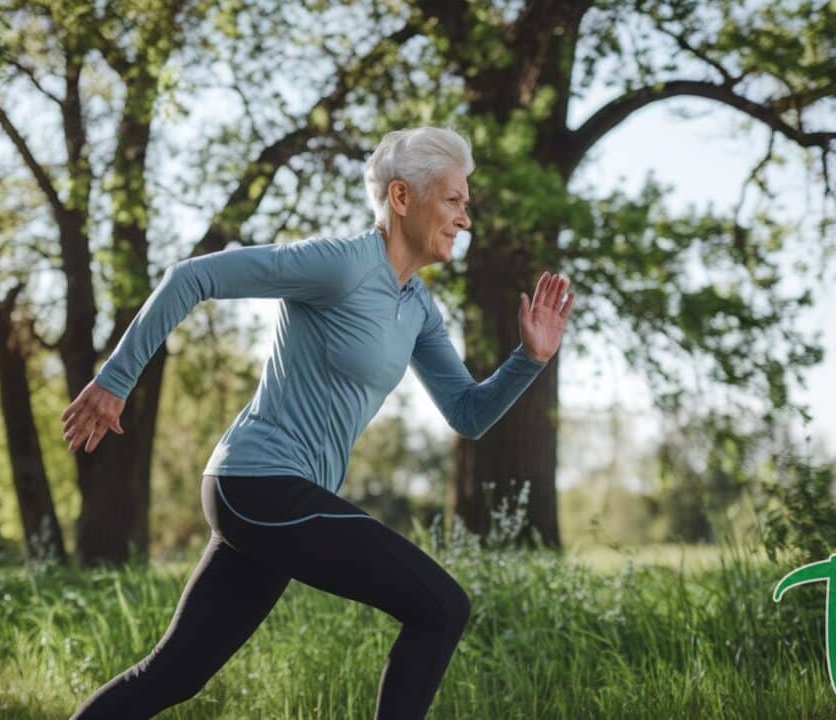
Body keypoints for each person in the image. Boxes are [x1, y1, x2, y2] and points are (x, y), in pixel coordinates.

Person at [61, 126, 575, 719]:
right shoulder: (339, 264)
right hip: (259, 482)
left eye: (467, 203)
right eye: (454, 201)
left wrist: (528, 361)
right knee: (442, 608)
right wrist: (114, 383)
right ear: (403, 198)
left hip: (272, 498)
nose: (466, 219)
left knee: (172, 675)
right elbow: (191, 277)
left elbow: (469, 414)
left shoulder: (418, 308)